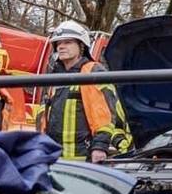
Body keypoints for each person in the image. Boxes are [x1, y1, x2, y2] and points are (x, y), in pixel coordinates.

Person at [40, 20, 131, 161]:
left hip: (84, 156)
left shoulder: (92, 71)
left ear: (81, 46)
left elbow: (104, 114)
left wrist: (100, 147)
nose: (61, 47)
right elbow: (43, 116)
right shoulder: (55, 77)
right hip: (54, 155)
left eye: (68, 42)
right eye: (58, 43)